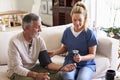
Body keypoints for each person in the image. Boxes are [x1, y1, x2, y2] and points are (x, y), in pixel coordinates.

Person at [7, 13, 76, 80]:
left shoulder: (39, 40)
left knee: (59, 75)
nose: (40, 30)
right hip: (16, 72)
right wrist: (36, 75)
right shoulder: (14, 42)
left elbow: (46, 63)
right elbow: (17, 68)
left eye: (41, 26)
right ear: (27, 28)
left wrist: (63, 68)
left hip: (33, 67)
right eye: (37, 27)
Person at [49, 1, 98, 80]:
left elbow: (92, 54)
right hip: (70, 62)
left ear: (85, 18)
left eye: (80, 20)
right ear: (71, 17)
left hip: (86, 64)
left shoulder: (89, 33)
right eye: (74, 20)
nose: (77, 23)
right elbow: (65, 48)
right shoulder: (67, 31)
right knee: (68, 78)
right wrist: (54, 52)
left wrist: (81, 58)